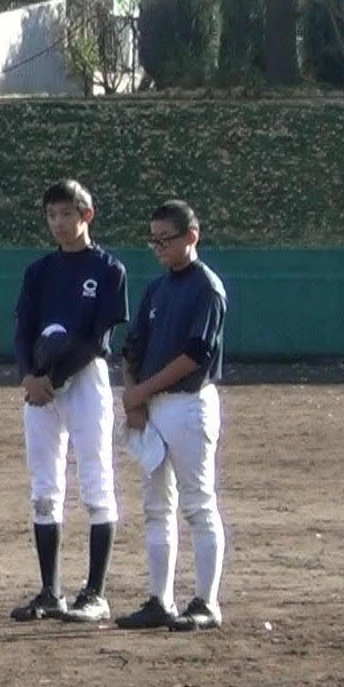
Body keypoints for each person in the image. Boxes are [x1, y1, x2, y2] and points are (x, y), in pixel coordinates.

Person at [10, 180, 129, 624]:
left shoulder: (108, 269)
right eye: (52, 215)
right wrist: (28, 376)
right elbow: (23, 329)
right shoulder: (39, 271)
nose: (59, 223)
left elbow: (97, 339)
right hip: (39, 382)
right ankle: (50, 590)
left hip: (83, 379)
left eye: (67, 214)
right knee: (44, 487)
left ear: (86, 215)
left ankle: (95, 593)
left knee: (96, 481)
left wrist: (51, 378)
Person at [115, 200, 229, 633]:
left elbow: (194, 355)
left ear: (191, 237)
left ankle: (205, 601)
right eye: (154, 239)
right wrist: (135, 395)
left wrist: (142, 390)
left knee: (198, 503)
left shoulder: (206, 288)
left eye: (168, 238)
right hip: (154, 406)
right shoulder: (157, 288)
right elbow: (134, 345)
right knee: (156, 506)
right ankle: (160, 598)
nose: (160, 247)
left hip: (187, 402)